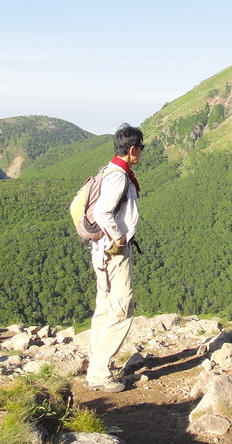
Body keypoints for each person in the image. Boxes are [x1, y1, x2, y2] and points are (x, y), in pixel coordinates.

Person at [84, 123, 144, 393]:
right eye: (141, 148)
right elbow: (103, 213)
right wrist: (119, 238)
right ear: (132, 149)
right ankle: (99, 372)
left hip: (100, 252)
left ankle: (96, 365)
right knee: (121, 309)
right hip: (113, 253)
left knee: (105, 308)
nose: (142, 152)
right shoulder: (119, 176)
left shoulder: (107, 170)